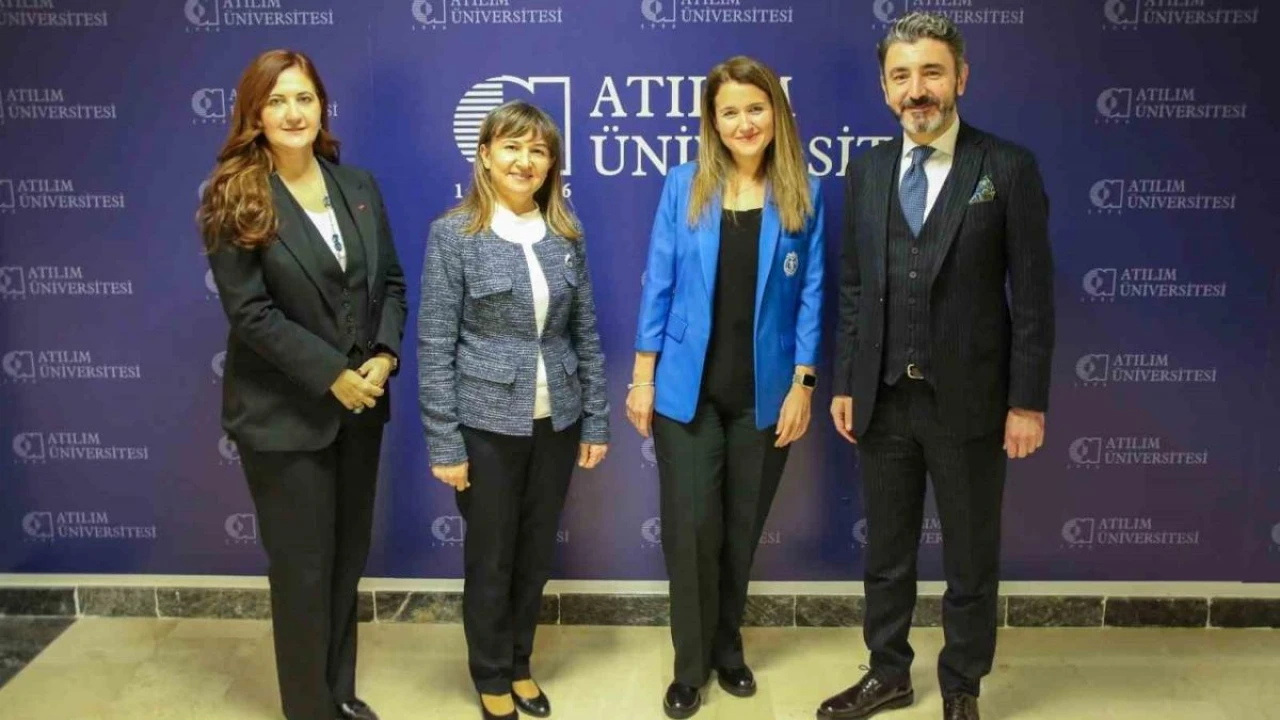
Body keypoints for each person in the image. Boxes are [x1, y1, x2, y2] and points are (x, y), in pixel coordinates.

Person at [818, 12, 1055, 720]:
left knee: (970, 559)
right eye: (901, 75)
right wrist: (846, 381)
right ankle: (887, 673)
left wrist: (1027, 401)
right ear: (884, 87)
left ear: (961, 77)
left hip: (973, 403)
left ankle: (961, 687)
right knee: (886, 556)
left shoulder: (1006, 168)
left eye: (931, 72)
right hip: (883, 398)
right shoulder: (866, 170)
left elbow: (1033, 296)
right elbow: (854, 286)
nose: (916, 89)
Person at [199, 49, 406, 720]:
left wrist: (384, 356)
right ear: (255, 114)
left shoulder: (359, 186)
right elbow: (251, 313)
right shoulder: (235, 196)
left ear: (322, 107)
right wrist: (331, 375)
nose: (293, 113)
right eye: (277, 100)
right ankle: (308, 709)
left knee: (345, 562)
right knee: (303, 571)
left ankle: (338, 694)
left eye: (305, 98)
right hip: (284, 418)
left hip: (361, 410)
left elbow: (391, 284)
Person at [627, 55, 826, 720]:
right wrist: (642, 377)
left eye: (755, 108)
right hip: (686, 396)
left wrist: (803, 384)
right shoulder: (684, 185)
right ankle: (690, 667)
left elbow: (813, 295)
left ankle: (728, 649)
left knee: (740, 533)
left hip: (764, 398)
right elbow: (658, 284)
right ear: (712, 122)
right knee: (691, 535)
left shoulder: (805, 191)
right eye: (730, 112)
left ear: (776, 114)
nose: (744, 123)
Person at [418, 100, 610, 720]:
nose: (525, 161)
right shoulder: (454, 235)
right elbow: (435, 344)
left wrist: (596, 418)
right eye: (512, 147)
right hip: (485, 428)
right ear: (485, 155)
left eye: (538, 150)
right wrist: (445, 442)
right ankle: (491, 674)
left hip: (557, 423)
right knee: (492, 558)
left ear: (552, 163)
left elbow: (585, 334)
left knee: (533, 556)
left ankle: (521, 663)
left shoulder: (566, 234)